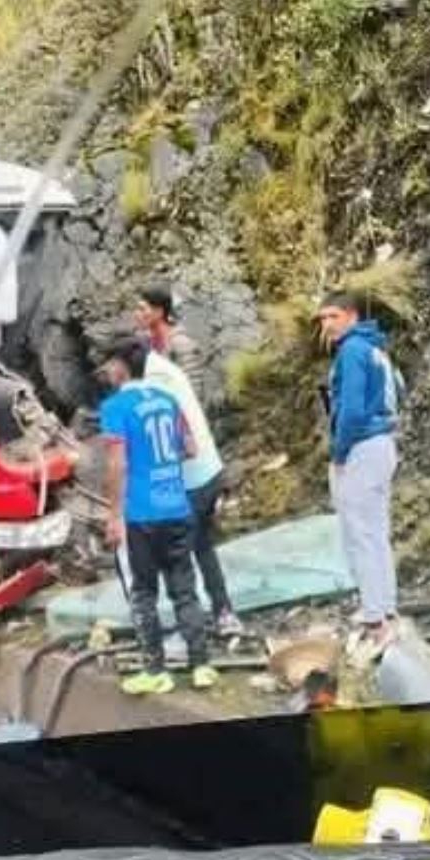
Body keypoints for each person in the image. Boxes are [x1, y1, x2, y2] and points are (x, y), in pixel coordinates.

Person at [98, 347, 215, 696]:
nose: (106, 370)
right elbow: (191, 449)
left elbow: (118, 464)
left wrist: (113, 514)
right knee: (184, 589)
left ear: (120, 368)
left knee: (143, 593)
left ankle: (155, 669)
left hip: (141, 513)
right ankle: (201, 665)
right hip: (177, 507)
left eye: (109, 364)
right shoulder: (167, 398)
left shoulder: (115, 407)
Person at [131, 340, 241, 636]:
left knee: (176, 560)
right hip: (207, 471)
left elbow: (183, 444)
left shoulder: (156, 382)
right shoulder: (164, 370)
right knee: (203, 546)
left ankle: (192, 635)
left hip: (190, 480)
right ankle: (224, 612)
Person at [317, 290, 404, 647]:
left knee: (359, 535)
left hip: (362, 448)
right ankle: (385, 607)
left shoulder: (352, 350)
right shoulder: (375, 347)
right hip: (384, 444)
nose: (326, 324)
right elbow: (400, 388)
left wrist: (339, 453)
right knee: (377, 531)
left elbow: (350, 410)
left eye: (333, 316)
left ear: (352, 315)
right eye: (323, 318)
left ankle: (375, 623)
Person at [135, 284, 215, 410]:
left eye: (142, 309)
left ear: (159, 312)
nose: (137, 314)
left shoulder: (181, 344)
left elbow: (194, 392)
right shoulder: (144, 343)